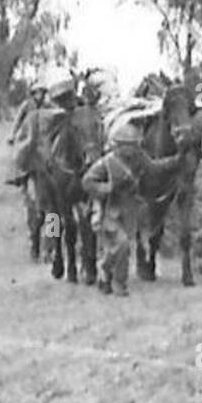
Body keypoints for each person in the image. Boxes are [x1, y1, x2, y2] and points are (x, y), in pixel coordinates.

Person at [80, 119, 146, 297]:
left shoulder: (96, 116)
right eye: (128, 146)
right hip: (108, 210)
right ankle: (50, 238)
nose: (132, 149)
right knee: (52, 211)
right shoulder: (36, 112)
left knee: (122, 246)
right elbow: (87, 181)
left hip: (125, 210)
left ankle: (114, 279)